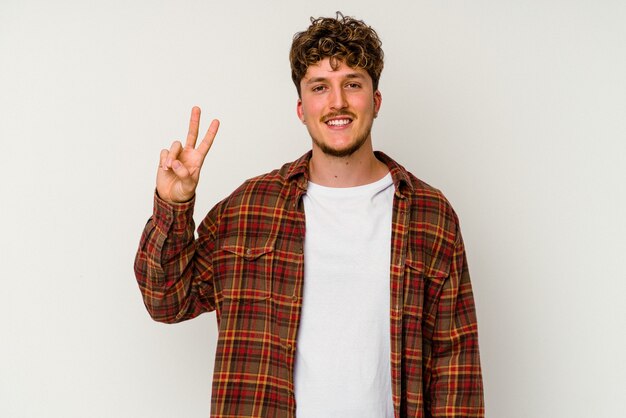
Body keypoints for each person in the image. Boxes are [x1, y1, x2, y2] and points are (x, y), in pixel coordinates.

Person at [134, 13, 484, 418]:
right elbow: (166, 301)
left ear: (377, 100)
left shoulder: (430, 215)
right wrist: (173, 205)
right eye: (321, 87)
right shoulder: (250, 209)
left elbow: (455, 365)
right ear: (302, 108)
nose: (337, 102)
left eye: (352, 84)